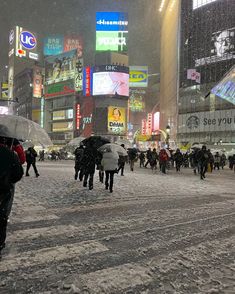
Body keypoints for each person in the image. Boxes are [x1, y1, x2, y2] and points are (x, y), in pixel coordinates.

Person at [0, 136, 24, 259]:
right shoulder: (10, 153)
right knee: (2, 216)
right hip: (3, 190)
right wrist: (8, 181)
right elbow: (19, 173)